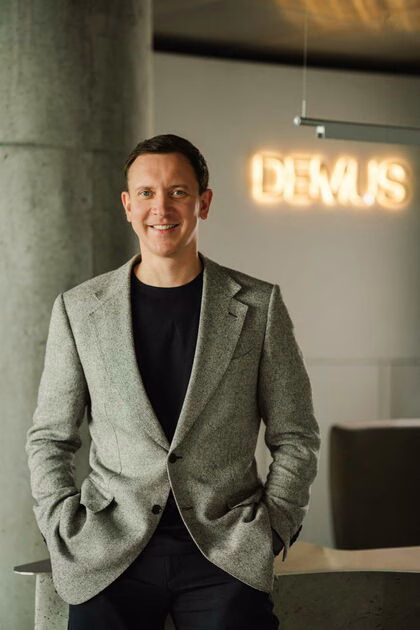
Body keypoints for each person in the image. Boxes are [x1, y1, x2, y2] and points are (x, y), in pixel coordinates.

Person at [26, 134, 320, 630]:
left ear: (203, 202)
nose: (161, 208)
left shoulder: (259, 305)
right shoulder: (78, 310)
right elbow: (50, 437)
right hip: (108, 550)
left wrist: (273, 528)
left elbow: (296, 434)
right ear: (127, 205)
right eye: (146, 193)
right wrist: (61, 522)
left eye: (178, 192)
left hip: (225, 551)